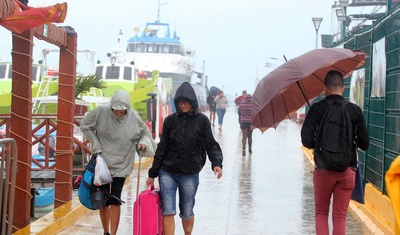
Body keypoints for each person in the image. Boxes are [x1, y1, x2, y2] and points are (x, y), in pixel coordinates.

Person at [146, 82, 223, 235]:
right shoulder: (170, 121)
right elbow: (162, 148)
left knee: (187, 212)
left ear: (192, 102)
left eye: (186, 102)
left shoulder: (202, 121)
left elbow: (210, 144)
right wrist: (152, 174)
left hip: (190, 173)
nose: (183, 105)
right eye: (180, 102)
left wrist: (217, 163)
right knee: (168, 210)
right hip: (167, 172)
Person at [301, 70, 369, 235]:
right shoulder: (354, 110)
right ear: (343, 88)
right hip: (347, 170)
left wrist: (320, 141)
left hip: (323, 170)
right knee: (339, 217)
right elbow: (364, 143)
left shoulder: (317, 109)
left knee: (321, 213)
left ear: (325, 88)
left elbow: (306, 140)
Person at [80, 89, 157, 235]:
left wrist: (142, 144)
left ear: (127, 109)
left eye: (122, 112)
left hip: (122, 163)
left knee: (115, 198)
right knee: (102, 198)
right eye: (116, 111)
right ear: (111, 107)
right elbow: (84, 124)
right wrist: (95, 142)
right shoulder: (100, 112)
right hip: (102, 162)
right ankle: (106, 232)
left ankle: (113, 233)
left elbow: (144, 134)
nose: (119, 114)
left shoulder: (133, 117)